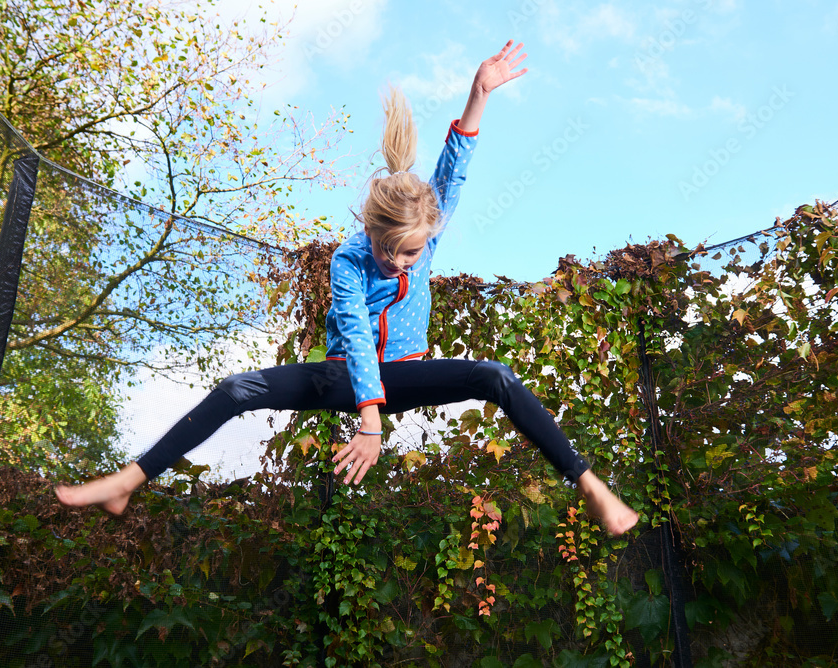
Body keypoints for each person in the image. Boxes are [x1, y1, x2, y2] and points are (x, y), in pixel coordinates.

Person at [56, 40, 639, 537]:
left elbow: (453, 168)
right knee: (236, 389)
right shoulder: (349, 262)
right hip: (343, 377)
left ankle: (590, 486)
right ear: (373, 234)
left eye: (416, 252)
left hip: (404, 373)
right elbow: (357, 337)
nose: (406, 263)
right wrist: (369, 420)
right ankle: (126, 481)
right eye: (397, 252)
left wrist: (480, 93)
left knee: (495, 377)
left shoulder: (423, 238)